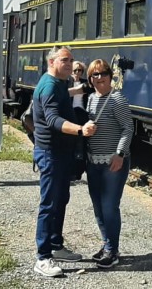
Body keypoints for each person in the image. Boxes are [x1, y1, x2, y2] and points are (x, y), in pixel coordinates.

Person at [31, 46, 96, 278]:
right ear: (51, 62)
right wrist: (80, 129)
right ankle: (43, 257)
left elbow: (60, 96)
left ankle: (56, 245)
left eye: (71, 60)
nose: (70, 64)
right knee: (49, 204)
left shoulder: (58, 82)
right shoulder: (49, 86)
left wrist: (75, 90)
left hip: (60, 152)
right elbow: (53, 120)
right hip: (51, 153)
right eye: (64, 60)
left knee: (61, 200)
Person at [83, 59, 134, 268]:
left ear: (110, 75)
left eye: (104, 73)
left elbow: (128, 128)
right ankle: (107, 245)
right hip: (93, 161)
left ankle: (112, 251)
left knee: (109, 207)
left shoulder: (117, 99)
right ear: (90, 78)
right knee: (98, 208)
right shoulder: (90, 99)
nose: (100, 77)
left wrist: (120, 154)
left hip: (113, 162)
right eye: (95, 74)